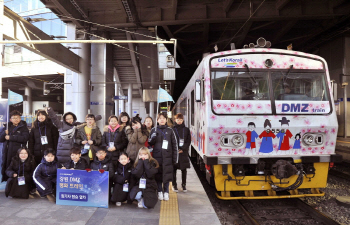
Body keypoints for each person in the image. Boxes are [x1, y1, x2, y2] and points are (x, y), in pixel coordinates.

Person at [148, 112, 178, 201]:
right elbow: (150, 144)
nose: (162, 120)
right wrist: (152, 138)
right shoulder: (154, 130)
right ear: (157, 120)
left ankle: (166, 192)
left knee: (167, 176)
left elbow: (175, 145)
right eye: (160, 118)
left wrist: (175, 159)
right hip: (157, 158)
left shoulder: (170, 130)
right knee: (158, 175)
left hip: (168, 158)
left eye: (164, 118)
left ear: (166, 120)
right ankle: (160, 191)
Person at [0, 110, 29, 182]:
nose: (15, 119)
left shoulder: (24, 127)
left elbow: (25, 138)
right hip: (7, 152)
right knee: (7, 167)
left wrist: (11, 137)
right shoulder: (7, 127)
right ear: (10, 119)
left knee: (17, 168)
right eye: (13, 118)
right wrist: (4, 133)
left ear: (20, 119)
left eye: (17, 118)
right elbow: (1, 139)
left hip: (18, 153)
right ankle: (8, 185)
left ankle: (18, 185)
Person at [172, 113, 191, 193]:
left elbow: (188, 141)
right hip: (175, 152)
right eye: (178, 120)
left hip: (184, 152)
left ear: (183, 120)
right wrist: (176, 149)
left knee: (184, 169)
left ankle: (184, 185)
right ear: (175, 120)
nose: (179, 121)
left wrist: (183, 148)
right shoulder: (172, 129)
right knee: (174, 169)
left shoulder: (186, 129)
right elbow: (171, 141)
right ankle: (174, 185)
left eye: (181, 120)